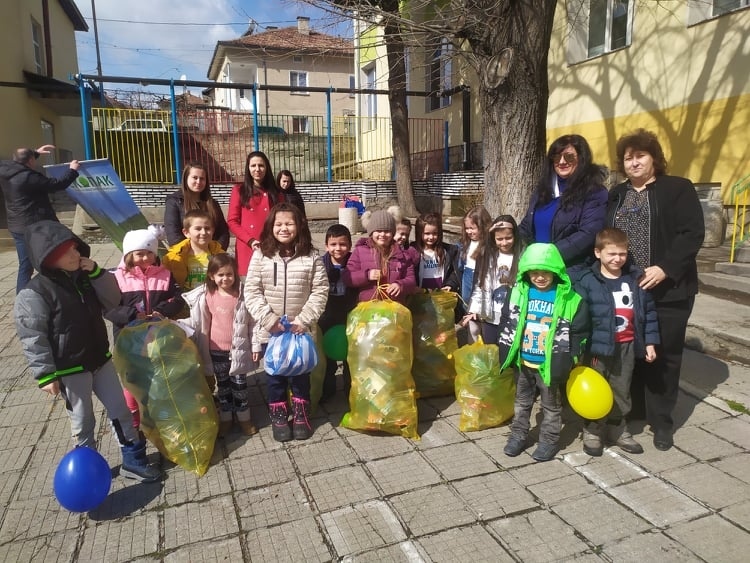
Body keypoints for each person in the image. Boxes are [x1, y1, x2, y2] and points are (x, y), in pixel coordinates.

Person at [14, 220, 160, 482]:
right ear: (48, 257)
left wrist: (96, 273)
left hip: (100, 360)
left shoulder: (84, 277)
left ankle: (133, 461)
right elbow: (32, 335)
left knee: (121, 412)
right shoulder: (35, 293)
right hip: (70, 369)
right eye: (66, 251)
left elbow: (112, 299)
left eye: (75, 248)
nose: (76, 254)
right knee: (83, 422)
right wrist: (45, 374)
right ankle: (88, 475)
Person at [606, 129, 704, 451]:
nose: (633, 162)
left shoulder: (677, 188)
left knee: (663, 355)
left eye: (640, 156)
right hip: (629, 289)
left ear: (654, 159)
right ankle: (635, 409)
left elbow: (691, 233)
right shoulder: (617, 194)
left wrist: (665, 268)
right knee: (631, 350)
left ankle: (662, 422)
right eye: (628, 157)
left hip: (669, 290)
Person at [244, 203, 328, 442]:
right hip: (272, 331)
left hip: (300, 330)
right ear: (271, 227)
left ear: (299, 225)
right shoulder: (261, 255)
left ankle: (301, 415)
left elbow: (320, 290)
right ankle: (279, 417)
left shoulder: (311, 256)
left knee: (301, 375)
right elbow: (252, 290)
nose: (284, 228)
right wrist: (268, 319)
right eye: (278, 224)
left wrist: (304, 319)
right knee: (275, 377)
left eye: (289, 223)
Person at [499, 243, 589, 462]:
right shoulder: (518, 293)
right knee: (521, 403)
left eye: (545, 272)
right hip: (524, 362)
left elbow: (580, 331)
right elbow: (506, 321)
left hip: (549, 365)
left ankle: (548, 440)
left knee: (551, 406)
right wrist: (506, 348)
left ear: (556, 272)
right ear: (526, 272)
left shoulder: (569, 299)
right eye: (535, 273)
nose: (540, 277)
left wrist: (573, 356)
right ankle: (518, 435)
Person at [574, 228, 660, 456]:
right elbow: (578, 317)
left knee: (621, 389)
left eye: (622, 254)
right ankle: (593, 429)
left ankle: (618, 428)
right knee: (596, 390)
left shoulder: (635, 279)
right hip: (597, 349)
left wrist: (650, 343)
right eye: (611, 253)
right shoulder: (587, 281)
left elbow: (648, 313)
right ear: (598, 253)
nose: (617, 259)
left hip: (627, 346)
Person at [105, 228, 186, 432]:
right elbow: (109, 307)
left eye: (150, 252)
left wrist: (161, 310)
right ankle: (132, 421)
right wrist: (132, 315)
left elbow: (177, 298)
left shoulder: (165, 275)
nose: (145, 257)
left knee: (159, 375)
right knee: (132, 380)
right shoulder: (116, 277)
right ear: (128, 255)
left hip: (157, 336)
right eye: (139, 253)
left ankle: (159, 416)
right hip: (128, 339)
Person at [183, 254, 257, 437]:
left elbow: (253, 323)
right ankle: (226, 419)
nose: (225, 279)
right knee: (223, 387)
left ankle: (244, 419)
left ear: (236, 274)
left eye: (229, 274)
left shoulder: (242, 295)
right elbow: (198, 321)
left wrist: (255, 345)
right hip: (215, 351)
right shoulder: (207, 295)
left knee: (240, 387)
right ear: (211, 276)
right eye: (220, 275)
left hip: (237, 350)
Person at [519, 134, 608, 277]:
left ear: (581, 158)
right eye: (556, 156)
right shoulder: (543, 190)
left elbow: (589, 233)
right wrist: (507, 232)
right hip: (539, 270)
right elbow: (527, 225)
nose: (561, 161)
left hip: (571, 272)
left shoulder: (594, 192)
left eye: (569, 157)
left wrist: (549, 254)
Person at [0, 145, 80, 293]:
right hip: (35, 227)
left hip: (16, 226)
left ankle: (22, 299)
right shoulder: (29, 177)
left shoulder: (4, 169)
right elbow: (57, 184)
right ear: (30, 161)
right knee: (51, 257)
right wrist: (72, 170)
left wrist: (35, 153)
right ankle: (59, 291)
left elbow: (19, 162)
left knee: (25, 265)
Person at [342, 209, 417, 305]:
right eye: (378, 231)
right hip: (368, 308)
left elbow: (411, 280)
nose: (382, 234)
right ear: (371, 232)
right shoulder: (360, 252)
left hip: (393, 308)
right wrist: (367, 275)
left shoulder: (402, 255)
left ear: (393, 232)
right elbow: (347, 277)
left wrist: (400, 285)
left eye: (387, 231)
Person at [468, 215, 522, 345]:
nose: (504, 242)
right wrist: (474, 309)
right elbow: (480, 284)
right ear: (493, 239)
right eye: (499, 239)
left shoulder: (521, 257)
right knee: (491, 350)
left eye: (508, 238)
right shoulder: (488, 256)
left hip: (513, 316)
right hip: (491, 316)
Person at [318, 224, 358, 403]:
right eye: (333, 244)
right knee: (328, 354)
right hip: (328, 313)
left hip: (349, 311)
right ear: (326, 246)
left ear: (349, 245)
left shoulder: (354, 262)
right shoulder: (321, 264)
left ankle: (350, 387)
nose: (338, 248)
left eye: (342, 244)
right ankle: (328, 388)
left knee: (351, 352)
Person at [228, 151, 283, 276]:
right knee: (249, 287)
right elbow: (232, 221)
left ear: (267, 167)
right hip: (248, 247)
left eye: (261, 165)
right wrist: (250, 240)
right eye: (253, 166)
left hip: (272, 245)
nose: (257, 169)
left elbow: (282, 219)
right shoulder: (239, 191)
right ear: (248, 168)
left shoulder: (276, 193)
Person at [164, 162, 230, 250]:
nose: (198, 182)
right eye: (195, 178)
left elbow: (223, 232)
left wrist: (216, 252)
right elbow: (173, 234)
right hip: (187, 256)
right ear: (186, 178)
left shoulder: (212, 204)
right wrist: (192, 254)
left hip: (212, 257)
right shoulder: (174, 201)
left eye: (202, 178)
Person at [163, 209, 225, 291]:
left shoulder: (221, 255)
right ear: (186, 233)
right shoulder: (173, 258)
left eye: (207, 228)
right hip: (185, 300)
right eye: (198, 229)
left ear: (213, 231)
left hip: (213, 298)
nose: (203, 232)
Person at [457, 205, 493, 343]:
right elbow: (459, 267)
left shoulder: (488, 246)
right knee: (470, 318)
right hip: (467, 279)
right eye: (467, 228)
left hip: (480, 283)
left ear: (483, 226)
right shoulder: (464, 244)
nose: (469, 231)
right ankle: (471, 346)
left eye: (472, 228)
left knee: (479, 319)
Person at [411, 212, 460, 292]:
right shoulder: (413, 250)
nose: (431, 237)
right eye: (427, 234)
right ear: (420, 233)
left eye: (434, 233)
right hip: (420, 294)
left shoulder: (448, 251)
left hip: (441, 294)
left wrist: (450, 284)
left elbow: (454, 272)